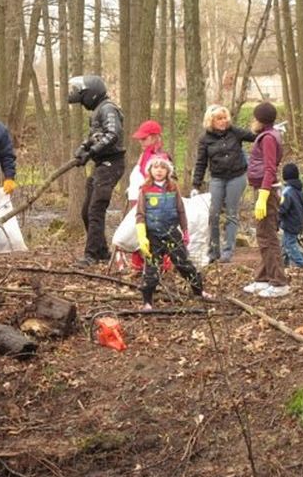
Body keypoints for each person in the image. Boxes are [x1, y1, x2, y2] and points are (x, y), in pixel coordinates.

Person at [135, 153, 211, 310]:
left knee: (184, 264)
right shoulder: (145, 189)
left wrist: (185, 231)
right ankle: (147, 301)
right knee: (152, 269)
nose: (159, 170)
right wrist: (142, 236)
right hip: (153, 236)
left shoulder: (173, 187)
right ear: (150, 169)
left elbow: (181, 210)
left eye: (163, 167)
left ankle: (199, 291)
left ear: (168, 171)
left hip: (171, 233)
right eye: (156, 167)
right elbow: (140, 214)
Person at [67, 75, 126, 267]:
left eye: (82, 96)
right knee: (86, 211)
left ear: (91, 94)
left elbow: (113, 134)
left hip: (111, 165)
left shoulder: (108, 108)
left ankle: (91, 255)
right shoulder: (99, 110)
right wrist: (84, 147)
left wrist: (91, 152)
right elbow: (96, 135)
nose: (81, 101)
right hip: (101, 164)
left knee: (95, 209)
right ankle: (101, 252)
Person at [192, 105, 257, 263]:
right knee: (213, 214)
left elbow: (255, 136)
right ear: (211, 121)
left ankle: (228, 250)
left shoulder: (234, 132)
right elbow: (201, 163)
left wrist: (270, 130)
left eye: (224, 118)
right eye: (218, 119)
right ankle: (214, 251)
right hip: (217, 178)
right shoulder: (205, 139)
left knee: (231, 213)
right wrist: (196, 185)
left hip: (236, 176)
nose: (222, 121)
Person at [243, 101, 290, 297]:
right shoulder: (268, 135)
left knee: (267, 235)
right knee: (264, 233)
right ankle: (263, 278)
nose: (253, 121)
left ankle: (279, 282)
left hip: (267, 190)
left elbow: (270, 168)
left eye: (255, 117)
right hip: (263, 189)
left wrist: (263, 196)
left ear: (261, 120)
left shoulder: (269, 138)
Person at [126, 120, 169, 273]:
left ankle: (159, 266)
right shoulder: (144, 154)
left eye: (144, 139)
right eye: (140, 139)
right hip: (138, 200)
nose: (141, 142)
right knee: (138, 233)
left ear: (154, 137)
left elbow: (161, 182)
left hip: (152, 203)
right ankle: (139, 266)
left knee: (153, 234)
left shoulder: (160, 157)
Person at [279, 162, 303, 268]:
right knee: (285, 243)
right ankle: (284, 264)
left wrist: (276, 220)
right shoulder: (300, 190)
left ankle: (301, 264)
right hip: (298, 221)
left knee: (290, 244)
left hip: (290, 223)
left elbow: (282, 209)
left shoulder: (287, 192)